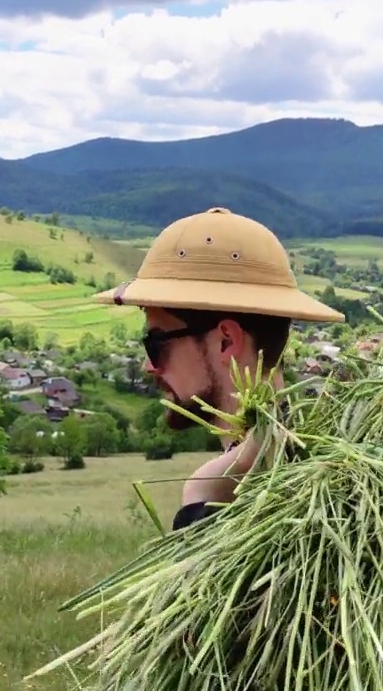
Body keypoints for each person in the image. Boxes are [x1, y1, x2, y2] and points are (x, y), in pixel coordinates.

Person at [93, 206, 344, 531]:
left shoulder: (242, 502)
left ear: (226, 341)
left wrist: (200, 494)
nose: (148, 365)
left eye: (156, 343)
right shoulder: (318, 463)